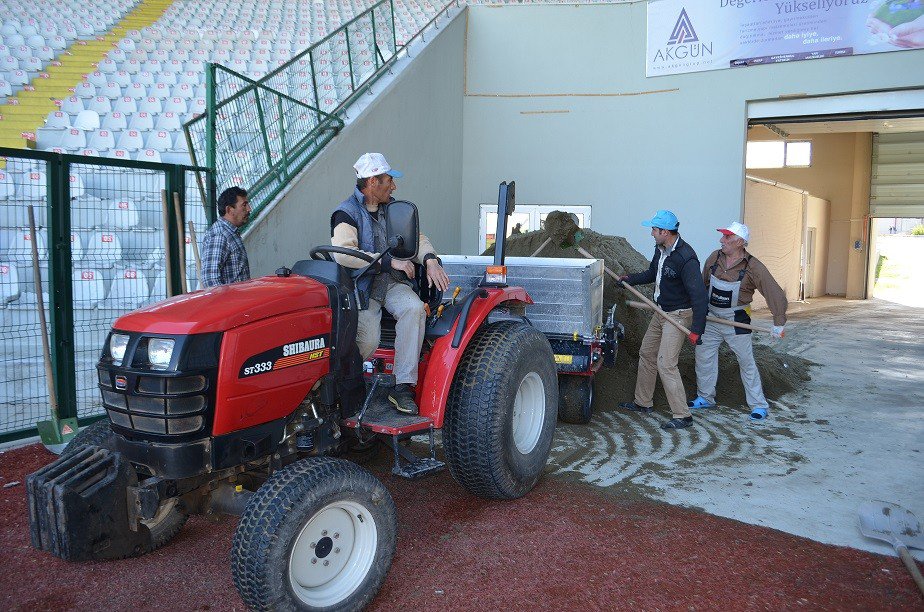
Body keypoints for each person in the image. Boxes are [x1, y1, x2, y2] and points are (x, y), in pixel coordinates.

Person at [331, 153, 450, 415]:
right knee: (368, 340)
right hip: (363, 288)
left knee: (414, 308)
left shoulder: (394, 210)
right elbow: (342, 253)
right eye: (388, 180)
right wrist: (386, 263)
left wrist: (430, 259)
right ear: (373, 182)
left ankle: (402, 386)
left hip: (391, 285)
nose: (393, 186)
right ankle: (345, 388)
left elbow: (417, 239)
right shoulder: (346, 213)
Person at [617, 210, 708, 430]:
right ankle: (643, 403)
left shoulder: (686, 258)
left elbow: (699, 296)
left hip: (678, 316)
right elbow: (651, 274)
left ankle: (683, 415)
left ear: (665, 232)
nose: (651, 233)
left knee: (666, 363)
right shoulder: (661, 250)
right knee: (647, 353)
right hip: (661, 312)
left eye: (654, 230)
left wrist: (697, 329)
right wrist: (629, 279)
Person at [687, 222, 787, 420]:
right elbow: (701, 285)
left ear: (740, 242)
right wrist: (696, 312)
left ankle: (758, 405)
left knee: (746, 361)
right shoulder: (714, 258)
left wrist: (779, 321)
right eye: (723, 237)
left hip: (736, 318)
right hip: (711, 316)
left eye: (727, 238)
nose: (721, 241)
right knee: (703, 357)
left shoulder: (754, 267)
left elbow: (773, 292)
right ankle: (705, 397)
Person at [200, 186, 251, 288]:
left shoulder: (230, 232)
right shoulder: (220, 235)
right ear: (229, 209)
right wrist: (228, 302)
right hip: (232, 302)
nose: (249, 209)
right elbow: (210, 280)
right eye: (244, 205)